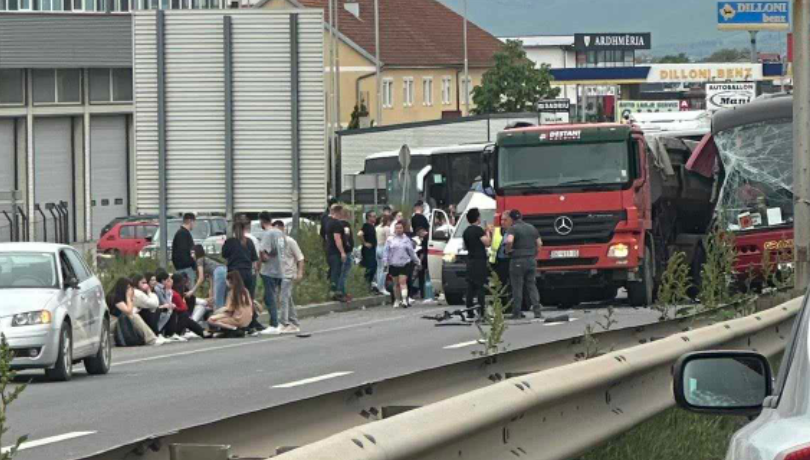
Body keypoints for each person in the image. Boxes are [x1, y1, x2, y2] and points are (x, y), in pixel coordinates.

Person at [505, 209, 543, 319]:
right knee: (532, 285)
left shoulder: (513, 228)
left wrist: (508, 250)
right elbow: (539, 243)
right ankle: (537, 311)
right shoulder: (531, 227)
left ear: (511, 219)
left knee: (517, 287)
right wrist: (534, 253)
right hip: (531, 260)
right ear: (521, 217)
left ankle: (517, 312)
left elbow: (509, 241)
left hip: (517, 260)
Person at [108, 278, 167, 347]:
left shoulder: (120, 297)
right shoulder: (115, 297)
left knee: (136, 315)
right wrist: (128, 298)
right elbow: (128, 311)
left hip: (119, 320)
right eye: (128, 287)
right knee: (134, 316)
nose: (130, 290)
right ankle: (151, 339)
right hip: (112, 322)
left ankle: (150, 337)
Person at [272, 220, 305, 334]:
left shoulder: (290, 241)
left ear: (283, 229)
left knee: (284, 298)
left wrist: (300, 273)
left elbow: (300, 258)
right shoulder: (275, 243)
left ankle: (284, 323)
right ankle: (294, 322)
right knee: (287, 298)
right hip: (278, 275)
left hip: (288, 274)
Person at [462, 208, 493, 319]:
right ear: (477, 218)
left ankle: (469, 310)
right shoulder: (478, 230)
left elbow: (465, 246)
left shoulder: (466, 231)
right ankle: (481, 310)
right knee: (480, 286)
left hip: (470, 259)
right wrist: (488, 232)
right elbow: (487, 243)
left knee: (470, 286)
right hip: (479, 260)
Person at [383, 220, 420, 308]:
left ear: (403, 229)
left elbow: (411, 252)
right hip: (393, 264)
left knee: (402, 282)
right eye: (397, 228)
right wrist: (385, 262)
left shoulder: (406, 240)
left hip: (404, 263)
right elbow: (386, 251)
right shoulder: (390, 240)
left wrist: (417, 261)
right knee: (396, 284)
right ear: (394, 229)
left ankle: (404, 300)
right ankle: (397, 300)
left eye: (400, 228)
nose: (399, 230)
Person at [258, 211, 283, 334]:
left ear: (262, 221)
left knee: (270, 297)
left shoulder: (268, 234)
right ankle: (282, 321)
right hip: (281, 269)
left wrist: (263, 258)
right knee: (278, 296)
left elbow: (263, 252)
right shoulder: (279, 232)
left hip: (269, 270)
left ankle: (274, 324)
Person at [168, 273, 210, 339]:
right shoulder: (172, 293)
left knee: (187, 317)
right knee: (185, 316)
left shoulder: (182, 290)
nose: (183, 284)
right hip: (174, 321)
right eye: (182, 282)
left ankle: (202, 332)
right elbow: (183, 308)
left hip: (180, 318)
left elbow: (193, 299)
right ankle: (202, 332)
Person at [191, 245, 228, 309]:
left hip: (219, 272)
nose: (191, 255)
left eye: (193, 253)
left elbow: (201, 278)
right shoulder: (206, 260)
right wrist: (211, 294)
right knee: (220, 297)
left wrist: (191, 291)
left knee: (218, 301)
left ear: (197, 252)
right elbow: (211, 280)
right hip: (224, 270)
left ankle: (218, 316)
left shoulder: (199, 260)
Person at [325, 205, 349, 301]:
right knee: (336, 272)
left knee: (332, 272)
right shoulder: (337, 224)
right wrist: (342, 252)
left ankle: (332, 292)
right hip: (335, 252)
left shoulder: (328, 222)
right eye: (342, 212)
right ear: (338, 212)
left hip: (329, 250)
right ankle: (335, 293)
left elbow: (327, 237)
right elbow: (337, 238)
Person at [172, 213, 197, 287]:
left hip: (184, 268)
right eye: (194, 222)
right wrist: (192, 263)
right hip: (185, 269)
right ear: (190, 221)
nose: (195, 225)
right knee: (188, 292)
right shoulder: (183, 234)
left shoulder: (183, 233)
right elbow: (183, 253)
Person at [337, 207, 355, 301]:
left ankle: (340, 290)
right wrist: (347, 245)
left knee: (341, 272)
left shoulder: (337, 224)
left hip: (340, 251)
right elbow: (346, 236)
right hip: (346, 252)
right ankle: (341, 291)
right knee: (344, 272)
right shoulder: (346, 225)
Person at [358, 210, 378, 288]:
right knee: (370, 267)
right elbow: (359, 234)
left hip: (372, 249)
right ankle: (366, 284)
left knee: (373, 266)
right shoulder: (366, 226)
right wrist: (365, 243)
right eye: (373, 216)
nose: (375, 218)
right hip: (368, 250)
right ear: (368, 217)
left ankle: (368, 284)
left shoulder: (371, 226)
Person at [374, 215, 392, 296]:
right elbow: (389, 240)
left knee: (379, 269)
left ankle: (379, 286)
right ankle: (382, 288)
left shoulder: (377, 227)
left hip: (377, 248)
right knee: (385, 270)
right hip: (384, 249)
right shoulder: (387, 228)